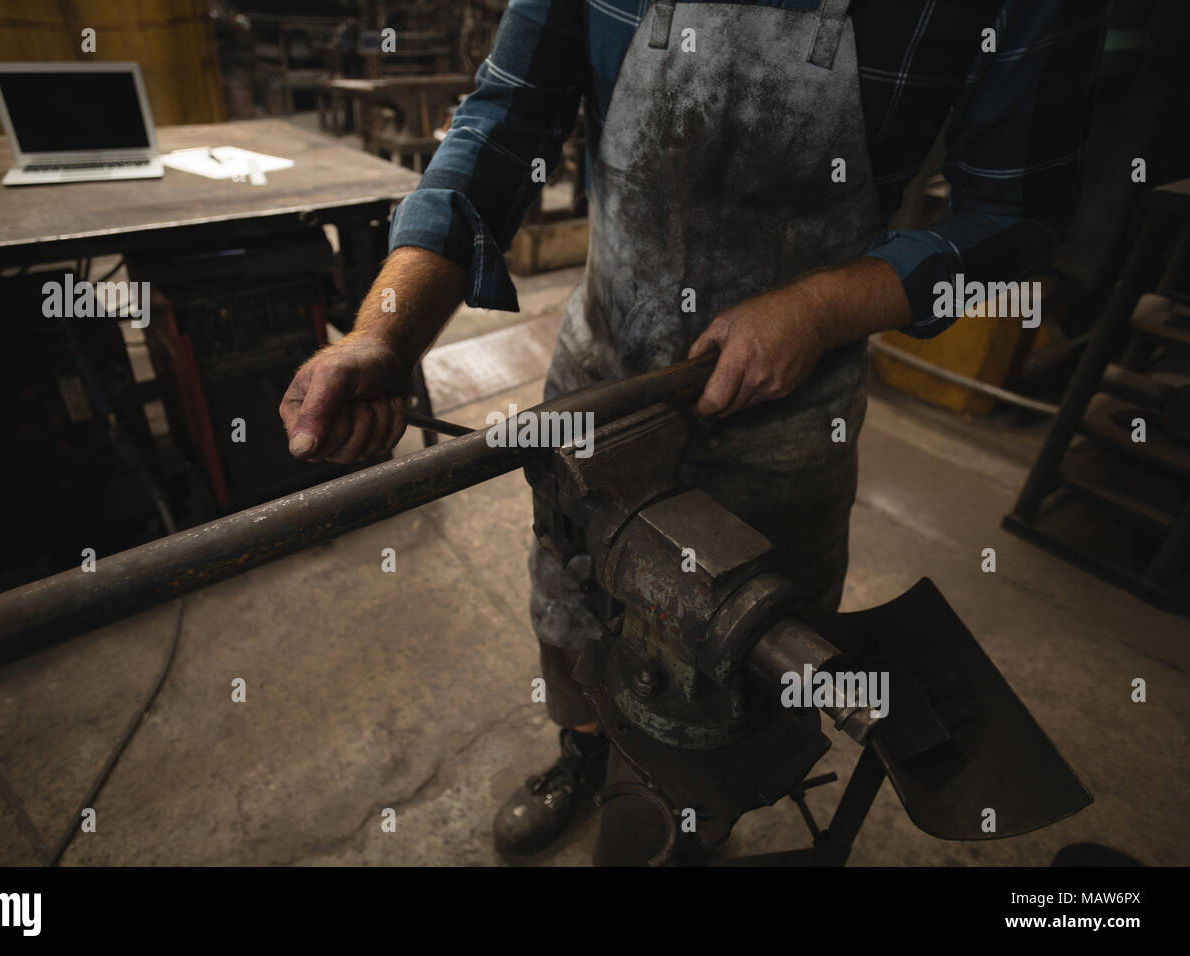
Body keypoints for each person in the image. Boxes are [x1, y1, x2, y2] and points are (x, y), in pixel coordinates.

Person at [280, 0, 1107, 863]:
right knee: (574, 608)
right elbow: (504, 120)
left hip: (792, 424)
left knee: (733, 677)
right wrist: (383, 331)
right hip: (607, 383)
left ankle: (694, 821)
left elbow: (1016, 217)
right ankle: (588, 754)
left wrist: (822, 309)